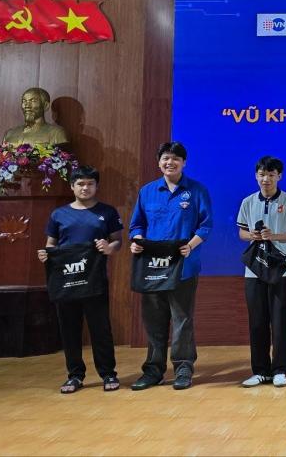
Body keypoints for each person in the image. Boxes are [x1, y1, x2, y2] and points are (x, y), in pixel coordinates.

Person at [128, 141, 212, 391]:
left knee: (182, 319)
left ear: (184, 163)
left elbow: (205, 226)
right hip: (152, 267)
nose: (170, 162)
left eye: (175, 158)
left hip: (183, 266)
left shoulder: (197, 191)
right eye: (165, 158)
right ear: (159, 162)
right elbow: (137, 226)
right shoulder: (147, 191)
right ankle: (153, 370)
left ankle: (183, 368)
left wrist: (191, 246)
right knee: (154, 320)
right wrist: (137, 242)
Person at [38, 165, 122, 393]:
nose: (85, 188)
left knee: (100, 328)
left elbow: (117, 241)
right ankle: (75, 375)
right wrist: (45, 255)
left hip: (95, 279)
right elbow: (51, 245)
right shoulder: (58, 214)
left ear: (96, 186)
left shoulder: (107, 212)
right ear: (72, 187)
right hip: (66, 280)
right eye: (81, 184)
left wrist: (109, 247)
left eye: (90, 184)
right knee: (69, 329)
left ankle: (108, 373)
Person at [236, 156, 286, 388]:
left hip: (281, 270)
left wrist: (273, 235)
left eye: (271, 175)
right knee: (257, 321)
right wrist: (252, 236)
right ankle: (260, 371)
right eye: (262, 174)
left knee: (280, 320)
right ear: (256, 176)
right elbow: (242, 233)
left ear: (279, 176)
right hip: (254, 271)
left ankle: (280, 369)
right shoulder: (248, 202)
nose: (266, 179)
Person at [2, 86, 68, 145]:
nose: (27, 106)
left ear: (46, 106)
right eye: (24, 101)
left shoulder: (56, 133)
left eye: (33, 101)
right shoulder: (10, 133)